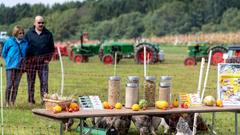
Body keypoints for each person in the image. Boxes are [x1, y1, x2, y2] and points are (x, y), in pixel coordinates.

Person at [25, 15, 54, 105]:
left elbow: (52, 49)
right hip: (31, 63)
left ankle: (44, 100)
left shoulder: (48, 34)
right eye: (39, 22)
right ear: (34, 23)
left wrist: (48, 59)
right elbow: (24, 47)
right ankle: (30, 100)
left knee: (44, 82)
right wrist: (26, 60)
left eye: (42, 22)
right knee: (31, 82)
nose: (41, 24)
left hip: (43, 63)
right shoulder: (28, 34)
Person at [1, 25, 29, 107]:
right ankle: (7, 102)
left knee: (16, 85)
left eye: (23, 33)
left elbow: (26, 54)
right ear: (15, 33)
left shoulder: (25, 43)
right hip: (10, 67)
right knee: (9, 84)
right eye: (20, 33)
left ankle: (13, 101)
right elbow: (4, 53)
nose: (22, 34)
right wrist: (8, 61)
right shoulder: (9, 41)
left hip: (20, 67)